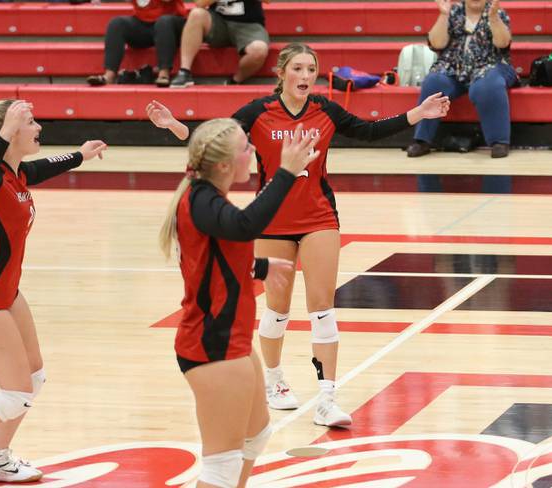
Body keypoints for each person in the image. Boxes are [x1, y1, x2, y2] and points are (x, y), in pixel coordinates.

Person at [148, 42, 449, 427]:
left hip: (319, 218)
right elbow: (216, 139)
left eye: (312, 70)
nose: (306, 76)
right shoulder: (259, 112)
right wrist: (174, 126)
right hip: (271, 220)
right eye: (299, 69)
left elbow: (369, 132)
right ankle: (274, 381)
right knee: (277, 310)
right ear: (282, 73)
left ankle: (327, 397)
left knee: (323, 308)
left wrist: (418, 114)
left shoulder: (325, 110)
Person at [156, 118, 317, 488]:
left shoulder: (205, 196)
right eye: (247, 148)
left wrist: (258, 266)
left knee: (255, 436)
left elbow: (217, 249)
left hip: (231, 338)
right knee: (222, 465)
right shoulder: (200, 199)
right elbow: (244, 226)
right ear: (225, 165)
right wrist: (286, 173)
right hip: (212, 343)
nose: (253, 153)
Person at [0, 100, 106, 483]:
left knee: (32, 379)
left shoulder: (15, 172)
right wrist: (6, 129)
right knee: (15, 392)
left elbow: (40, 169)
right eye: (30, 122)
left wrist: (80, 154)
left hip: (5, 290)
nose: (39, 126)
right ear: (8, 132)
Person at [406, 0, 518, 159]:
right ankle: (422, 140)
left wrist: (493, 18)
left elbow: (503, 43)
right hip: (454, 66)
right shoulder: (453, 12)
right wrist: (443, 15)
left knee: (487, 86)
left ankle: (499, 141)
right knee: (433, 81)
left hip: (492, 64)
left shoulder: (497, 12)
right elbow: (437, 43)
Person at [86, 0, 188, 87]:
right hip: (144, 23)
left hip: (171, 25)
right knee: (116, 23)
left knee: (163, 22)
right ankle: (109, 76)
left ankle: (164, 74)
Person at [169, 0, 269, 88]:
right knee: (196, 14)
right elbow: (200, 3)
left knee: (259, 50)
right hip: (218, 22)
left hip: (249, 25)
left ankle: (235, 80)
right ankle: (184, 71)